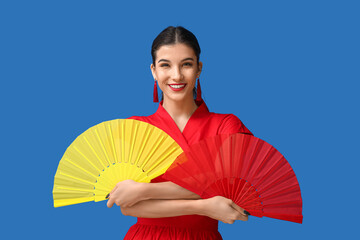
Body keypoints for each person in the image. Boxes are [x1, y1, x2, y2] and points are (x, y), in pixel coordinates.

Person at [106, 26, 253, 240]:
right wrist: (204, 206)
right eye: (165, 65)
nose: (176, 75)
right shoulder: (135, 128)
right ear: (153, 71)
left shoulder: (226, 125)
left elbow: (227, 186)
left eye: (186, 64)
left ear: (199, 69)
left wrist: (143, 190)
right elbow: (129, 208)